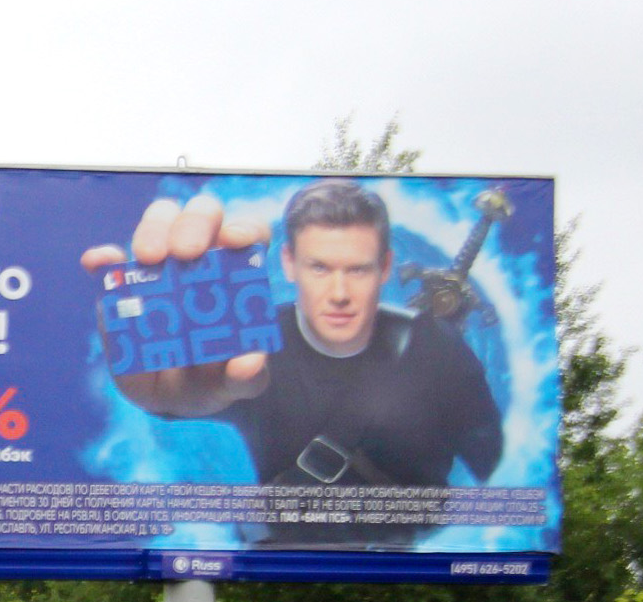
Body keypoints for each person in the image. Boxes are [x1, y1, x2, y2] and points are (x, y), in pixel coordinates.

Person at [81, 181, 504, 543]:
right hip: (274, 574)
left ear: (385, 268)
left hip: (418, 580)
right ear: (288, 263)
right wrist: (159, 393)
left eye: (357, 270)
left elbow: (503, 481)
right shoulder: (250, 345)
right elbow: (182, 395)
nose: (339, 293)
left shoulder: (442, 351)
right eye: (320, 267)